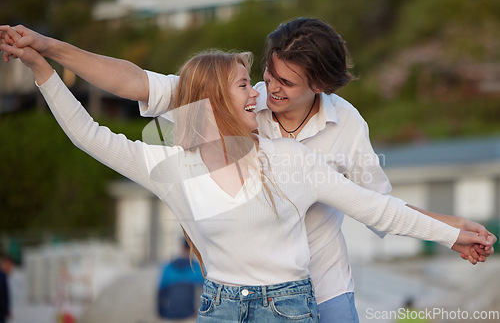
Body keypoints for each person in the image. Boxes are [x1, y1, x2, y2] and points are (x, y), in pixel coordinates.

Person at [0, 19, 496, 323]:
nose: (264, 91)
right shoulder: (209, 124)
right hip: (223, 297)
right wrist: (48, 54)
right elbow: (127, 91)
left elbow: (379, 208)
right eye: (261, 76)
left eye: (283, 83)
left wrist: (450, 230)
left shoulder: (343, 130)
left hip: (318, 286)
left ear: (319, 86)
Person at [157, 241, 204, 323]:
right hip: (191, 316)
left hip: (170, 315)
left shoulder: (168, 268)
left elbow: (160, 293)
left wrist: (161, 313)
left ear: (182, 248)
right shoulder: (198, 269)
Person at [0, 255, 14, 323]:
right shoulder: (2, 276)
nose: (10, 268)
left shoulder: (3, 276)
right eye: (9, 265)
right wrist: (5, 309)